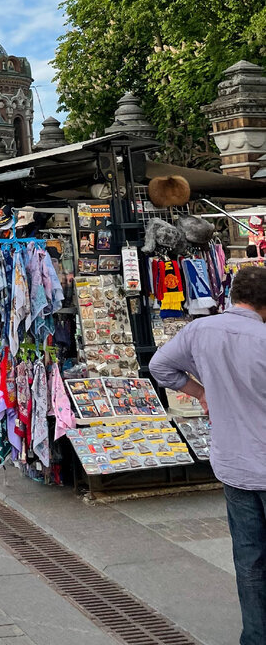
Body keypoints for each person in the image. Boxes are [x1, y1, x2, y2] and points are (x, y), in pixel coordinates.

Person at [150, 265, 266, 645]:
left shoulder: (201, 330)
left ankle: (255, 636)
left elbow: (159, 366)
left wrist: (201, 392)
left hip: (233, 463)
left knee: (249, 560)